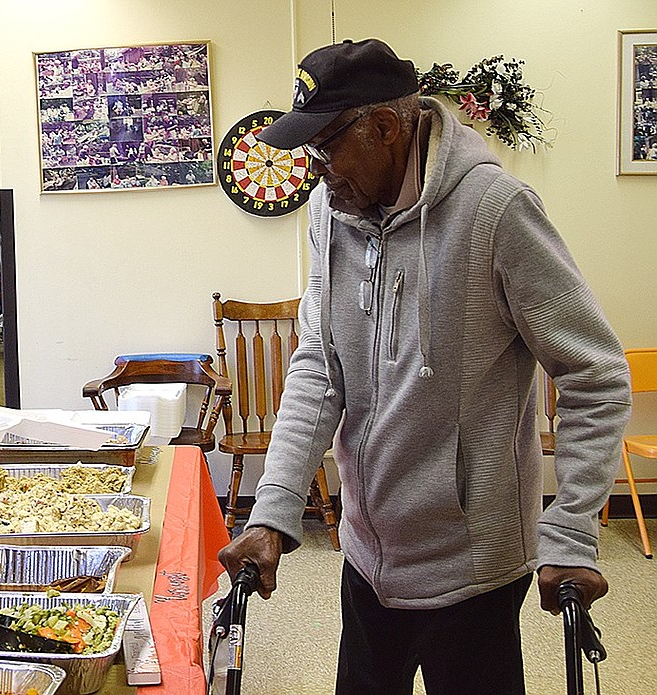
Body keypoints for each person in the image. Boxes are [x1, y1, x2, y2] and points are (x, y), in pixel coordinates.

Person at [218, 39, 632, 695]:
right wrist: (272, 511)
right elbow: (318, 371)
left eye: (324, 147)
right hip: (367, 555)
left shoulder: (496, 211)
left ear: (384, 127)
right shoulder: (331, 212)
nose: (315, 170)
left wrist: (571, 529)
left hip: (472, 568)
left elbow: (595, 375)